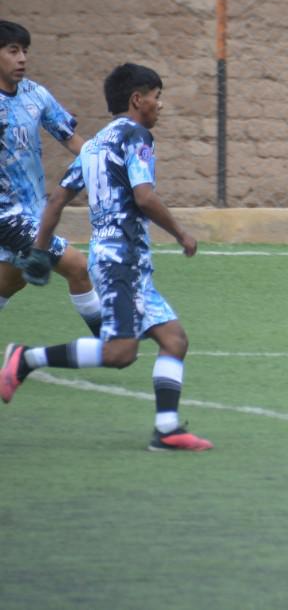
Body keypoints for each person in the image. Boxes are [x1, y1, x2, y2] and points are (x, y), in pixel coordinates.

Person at [1, 62, 212, 452]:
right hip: (122, 260)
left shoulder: (95, 144)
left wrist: (39, 252)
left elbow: (57, 201)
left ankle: (166, 430)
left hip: (121, 260)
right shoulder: (137, 136)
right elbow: (144, 196)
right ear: (138, 100)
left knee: (173, 339)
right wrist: (181, 232)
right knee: (120, 353)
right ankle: (27, 359)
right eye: (156, 96)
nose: (160, 105)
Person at [0, 20, 102, 335]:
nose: (22, 59)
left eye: (25, 51)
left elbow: (70, 138)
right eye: (13, 50)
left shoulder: (36, 95)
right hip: (5, 215)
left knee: (11, 281)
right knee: (77, 266)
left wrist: (104, 167)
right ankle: (111, 343)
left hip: (34, 211)